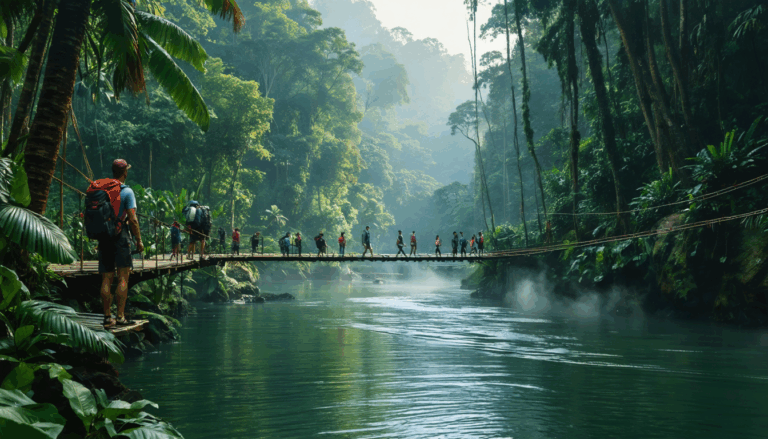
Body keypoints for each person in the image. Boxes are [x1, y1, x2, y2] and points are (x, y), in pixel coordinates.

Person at [97, 159, 143, 328]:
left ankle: (107, 317)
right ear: (125, 173)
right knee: (123, 276)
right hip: (120, 235)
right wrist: (138, 240)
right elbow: (132, 218)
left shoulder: (102, 190)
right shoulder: (127, 192)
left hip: (104, 236)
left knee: (106, 278)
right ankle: (120, 316)